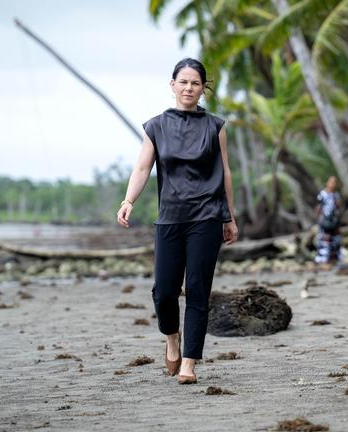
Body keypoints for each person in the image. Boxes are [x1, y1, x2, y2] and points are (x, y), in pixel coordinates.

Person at [116, 58, 238, 385]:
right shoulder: (156, 126)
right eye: (183, 82)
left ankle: (189, 362)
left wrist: (229, 216)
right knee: (164, 292)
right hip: (170, 217)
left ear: (203, 88)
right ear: (172, 85)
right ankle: (172, 338)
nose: (188, 88)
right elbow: (142, 168)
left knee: (198, 290)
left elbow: (224, 172)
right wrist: (129, 200)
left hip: (207, 217)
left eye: (195, 83)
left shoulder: (215, 126)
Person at [315, 176, 342, 265]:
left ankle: (334, 259)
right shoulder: (322, 194)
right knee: (324, 239)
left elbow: (338, 208)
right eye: (331, 182)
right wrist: (319, 219)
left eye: (335, 182)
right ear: (327, 183)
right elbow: (318, 208)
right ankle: (322, 260)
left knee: (335, 240)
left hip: (334, 221)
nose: (333, 184)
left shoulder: (336, 195)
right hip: (324, 220)